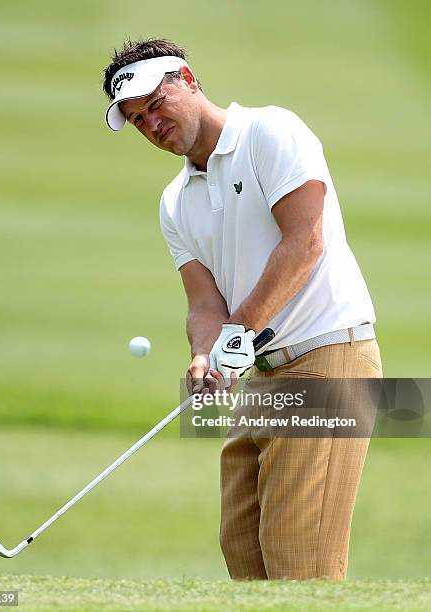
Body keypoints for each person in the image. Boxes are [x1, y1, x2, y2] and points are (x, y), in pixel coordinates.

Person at [102, 38, 382, 581]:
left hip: (328, 359)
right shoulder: (175, 200)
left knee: (300, 563)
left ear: (186, 78)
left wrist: (237, 333)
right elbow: (204, 302)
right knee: (244, 553)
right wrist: (205, 354)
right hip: (262, 372)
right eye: (137, 120)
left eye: (155, 104)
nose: (151, 124)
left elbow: (305, 242)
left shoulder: (269, 132)